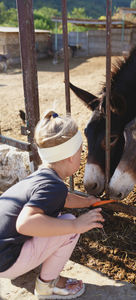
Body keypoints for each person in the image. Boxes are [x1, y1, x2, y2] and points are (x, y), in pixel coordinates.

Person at [0, 110, 104, 299]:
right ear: (70, 156)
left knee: (55, 220)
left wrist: (87, 202)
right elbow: (25, 223)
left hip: (3, 252)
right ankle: (47, 285)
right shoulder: (54, 186)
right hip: (5, 263)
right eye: (81, 151)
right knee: (68, 226)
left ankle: (25, 266)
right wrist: (76, 225)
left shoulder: (42, 178)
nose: (82, 156)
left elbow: (63, 198)